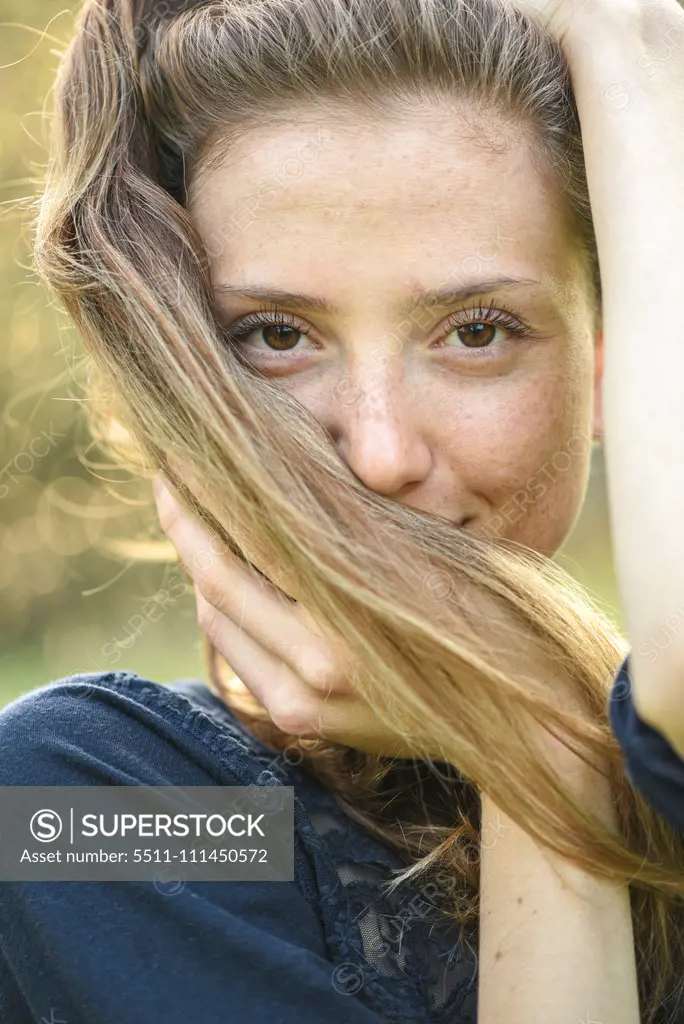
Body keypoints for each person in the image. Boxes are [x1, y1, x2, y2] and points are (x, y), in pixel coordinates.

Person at [2, 0, 684, 1021]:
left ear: (611, 367)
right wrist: (538, 757)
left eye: (479, 330)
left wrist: (633, 55)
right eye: (276, 334)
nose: (378, 454)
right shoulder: (77, 806)